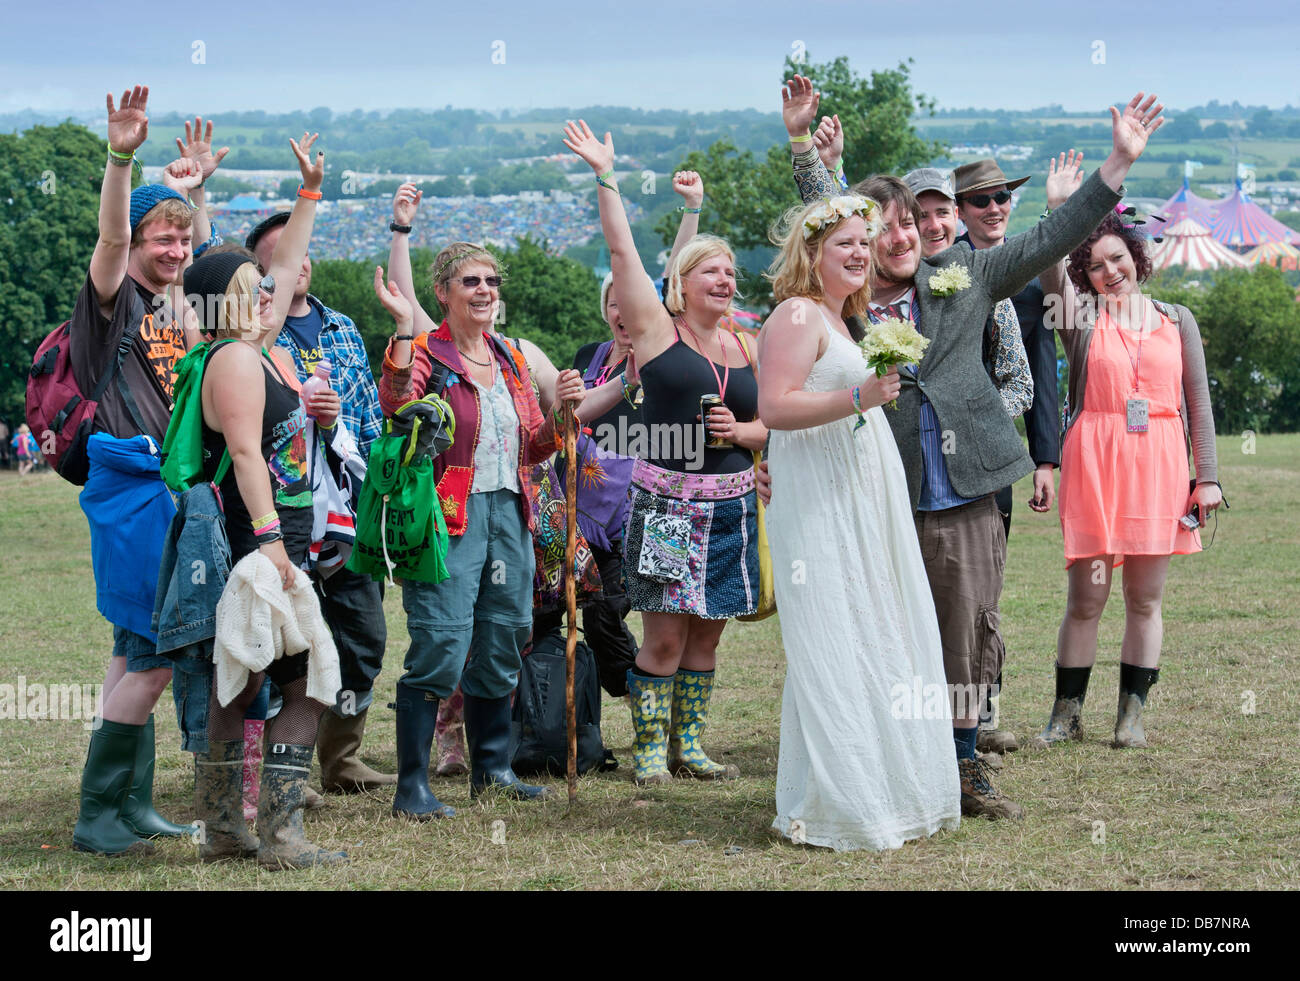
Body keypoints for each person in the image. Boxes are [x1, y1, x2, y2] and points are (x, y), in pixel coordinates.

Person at [782, 75, 1165, 818]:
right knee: (881, 625)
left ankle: (962, 766)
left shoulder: (968, 277)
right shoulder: (844, 299)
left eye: (909, 225)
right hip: (874, 491)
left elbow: (1048, 238)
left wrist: (1115, 166)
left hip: (965, 492)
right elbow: (826, 219)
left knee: (966, 632)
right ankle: (886, 763)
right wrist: (803, 145)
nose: (898, 236)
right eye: (884, 226)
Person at [564, 119, 768, 786]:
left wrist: (749, 437)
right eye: (712, 269)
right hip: (668, 510)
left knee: (708, 632)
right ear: (682, 281)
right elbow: (622, 253)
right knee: (665, 637)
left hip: (733, 508)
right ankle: (651, 747)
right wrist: (605, 175)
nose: (727, 278)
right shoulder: (656, 331)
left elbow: (773, 419)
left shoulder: (749, 344)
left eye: (732, 271)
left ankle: (691, 744)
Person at [759, 193, 961, 850]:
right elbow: (776, 408)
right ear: (811, 252)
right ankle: (842, 799)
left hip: (860, 495)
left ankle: (883, 782)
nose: (856, 251)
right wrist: (860, 396)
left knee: (873, 622)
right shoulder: (796, 313)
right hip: (818, 500)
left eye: (861, 242)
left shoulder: (844, 319)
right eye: (842, 241)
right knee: (832, 632)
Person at [374, 218, 587, 817]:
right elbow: (395, 404)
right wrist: (398, 329)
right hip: (447, 514)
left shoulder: (513, 359)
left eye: (492, 280)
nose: (486, 290)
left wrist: (564, 412)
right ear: (443, 292)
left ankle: (492, 769)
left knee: (504, 637)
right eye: (471, 281)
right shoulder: (424, 354)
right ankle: (413, 785)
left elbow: (537, 446)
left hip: (510, 512)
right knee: (442, 642)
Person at [185, 132, 348, 868]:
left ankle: (226, 828)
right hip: (258, 542)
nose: (269, 289)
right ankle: (279, 835)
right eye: (252, 285)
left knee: (240, 678)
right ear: (229, 301)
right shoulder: (240, 359)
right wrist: (273, 543)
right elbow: (246, 453)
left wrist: (308, 192)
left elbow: (280, 270)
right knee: (312, 679)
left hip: (257, 541)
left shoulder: (238, 346)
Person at [70, 85, 215, 856]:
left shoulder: (171, 305)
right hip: (134, 493)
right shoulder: (111, 302)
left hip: (167, 492)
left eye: (182, 241)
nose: (174, 250)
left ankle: (131, 802)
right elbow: (111, 241)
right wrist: (123, 158)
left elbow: (195, 281)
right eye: (162, 238)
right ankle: (99, 814)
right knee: (157, 656)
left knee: (132, 652)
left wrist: (193, 196)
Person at [1031, 210, 1221, 750]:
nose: (1109, 271)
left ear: (1136, 257)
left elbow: (1199, 404)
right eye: (1094, 265)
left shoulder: (1177, 319)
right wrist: (1061, 211)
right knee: (1086, 600)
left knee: (1145, 600)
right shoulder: (1081, 320)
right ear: (1083, 275)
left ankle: (1130, 719)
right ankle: (1065, 717)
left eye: (1117, 258)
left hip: (1160, 467)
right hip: (1096, 466)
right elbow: (1049, 277)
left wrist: (1207, 477)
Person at [245, 199, 393, 796]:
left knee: (363, 638)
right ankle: (287, 770)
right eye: (279, 255)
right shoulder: (248, 336)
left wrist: (340, 434)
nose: (293, 262)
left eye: (300, 250)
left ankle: (343, 756)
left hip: (346, 516)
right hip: (282, 514)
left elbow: (371, 423)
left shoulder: (344, 327)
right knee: (289, 646)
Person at [571, 171, 707, 697]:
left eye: (632, 305)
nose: (625, 312)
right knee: (600, 614)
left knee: (662, 613)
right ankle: (631, 705)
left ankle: (656, 712)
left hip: (659, 512)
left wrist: (691, 210)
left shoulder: (666, 358)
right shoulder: (589, 359)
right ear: (606, 311)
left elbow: (672, 279)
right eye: (615, 304)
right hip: (592, 519)